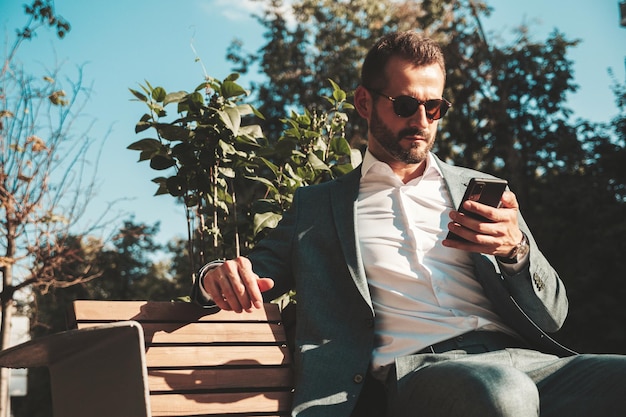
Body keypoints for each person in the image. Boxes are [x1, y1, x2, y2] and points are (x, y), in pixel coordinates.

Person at [193, 30, 626, 417]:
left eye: (434, 107)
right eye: (405, 105)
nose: (421, 122)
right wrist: (216, 275)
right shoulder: (320, 208)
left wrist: (516, 253)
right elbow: (251, 271)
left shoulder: (485, 191)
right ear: (364, 102)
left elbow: (553, 317)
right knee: (504, 392)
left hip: (529, 361)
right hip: (421, 372)